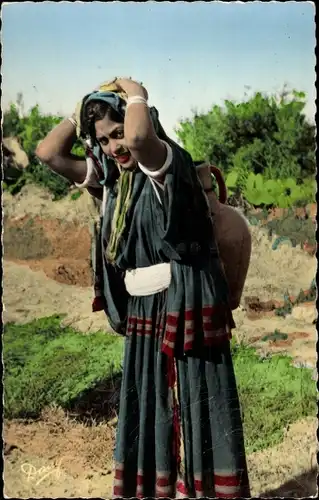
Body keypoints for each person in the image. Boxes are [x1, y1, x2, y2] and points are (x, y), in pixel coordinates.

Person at [36, 78, 251, 499]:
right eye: (104, 139)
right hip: (144, 315)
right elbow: (48, 152)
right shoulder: (113, 181)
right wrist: (83, 105)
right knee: (153, 411)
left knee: (196, 404)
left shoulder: (162, 162)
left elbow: (138, 137)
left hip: (179, 304)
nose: (116, 146)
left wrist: (134, 91)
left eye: (118, 134)